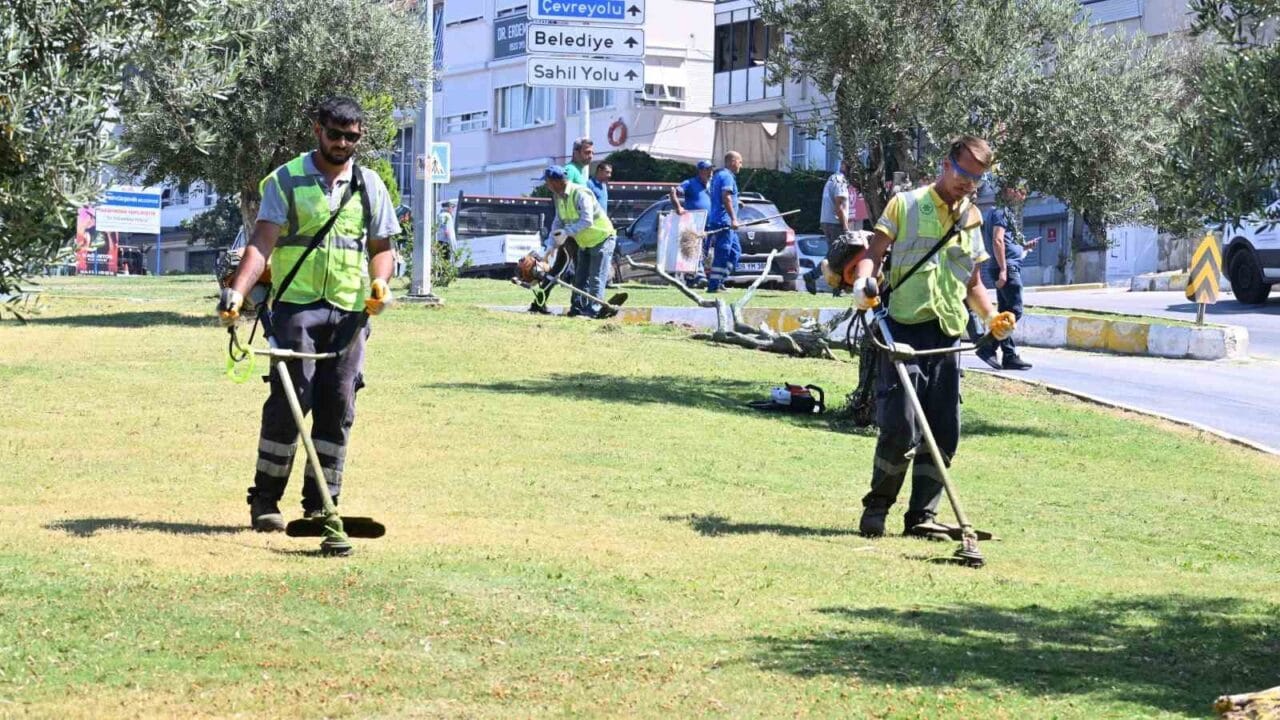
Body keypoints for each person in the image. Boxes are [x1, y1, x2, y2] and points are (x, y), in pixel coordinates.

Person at [216, 95, 402, 532]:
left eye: (351, 137)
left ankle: (323, 503)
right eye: (334, 134)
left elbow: (382, 249)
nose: (342, 143)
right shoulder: (286, 180)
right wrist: (237, 292)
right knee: (290, 401)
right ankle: (265, 500)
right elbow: (261, 245)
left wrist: (381, 284)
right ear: (317, 130)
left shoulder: (370, 185)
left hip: (351, 312)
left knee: (338, 405)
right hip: (296, 308)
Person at [848, 135, 1016, 539]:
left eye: (975, 179)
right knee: (901, 426)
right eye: (962, 174)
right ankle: (877, 509)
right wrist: (864, 281)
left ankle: (922, 516)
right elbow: (874, 252)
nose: (966, 184)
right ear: (946, 165)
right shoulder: (905, 204)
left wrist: (991, 316)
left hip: (947, 333)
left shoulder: (971, 218)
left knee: (944, 430)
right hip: (902, 328)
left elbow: (972, 280)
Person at [975, 184, 1037, 371]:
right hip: (1007, 268)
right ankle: (988, 345)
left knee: (1005, 312)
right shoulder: (1001, 212)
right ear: (1008, 190)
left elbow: (1005, 241)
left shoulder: (1000, 212)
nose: (1023, 196)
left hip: (1006, 265)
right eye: (1021, 191)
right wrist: (1003, 270)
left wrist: (1023, 248)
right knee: (1015, 311)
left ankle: (1009, 356)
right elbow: (998, 240)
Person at [544, 165, 617, 318]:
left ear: (556, 182)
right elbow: (558, 222)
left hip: (602, 238)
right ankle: (577, 308)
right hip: (584, 242)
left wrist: (567, 232)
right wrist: (551, 244)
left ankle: (594, 310)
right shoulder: (559, 197)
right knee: (580, 276)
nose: (546, 185)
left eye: (547, 182)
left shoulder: (580, 193)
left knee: (596, 276)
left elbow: (587, 220)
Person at [804, 159, 852, 294]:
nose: (852, 169)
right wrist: (846, 228)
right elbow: (839, 206)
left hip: (827, 221)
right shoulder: (840, 181)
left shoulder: (832, 178)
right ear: (843, 165)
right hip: (835, 223)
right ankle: (814, 277)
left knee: (835, 255)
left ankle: (836, 287)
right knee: (837, 255)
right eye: (850, 166)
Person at [670, 160, 715, 287]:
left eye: (711, 170)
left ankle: (692, 277)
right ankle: (700, 276)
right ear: (700, 171)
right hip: (695, 223)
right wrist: (678, 207)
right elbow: (673, 191)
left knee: (705, 252)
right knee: (697, 250)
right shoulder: (689, 183)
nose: (710, 172)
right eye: (708, 170)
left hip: (710, 224)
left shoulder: (712, 184)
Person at [706, 151, 743, 293]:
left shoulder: (718, 176)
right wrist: (734, 218)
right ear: (732, 161)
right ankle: (713, 285)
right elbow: (725, 197)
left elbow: (726, 197)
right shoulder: (727, 176)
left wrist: (737, 202)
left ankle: (720, 281)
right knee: (723, 252)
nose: (741, 165)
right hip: (724, 222)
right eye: (740, 161)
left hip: (723, 220)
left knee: (735, 252)